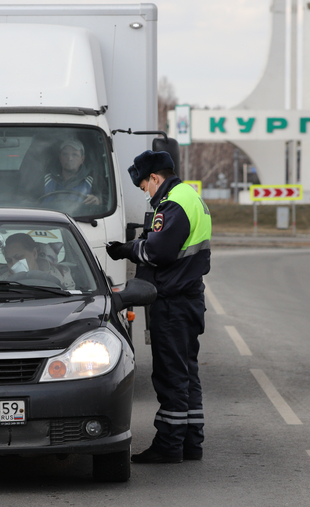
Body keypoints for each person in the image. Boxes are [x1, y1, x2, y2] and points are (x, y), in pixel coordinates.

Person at [106, 150, 212, 464]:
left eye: (144, 187)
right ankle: (191, 443)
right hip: (187, 299)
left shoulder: (173, 202)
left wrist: (126, 249)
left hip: (173, 303)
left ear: (154, 178)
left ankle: (169, 446)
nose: (146, 194)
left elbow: (158, 251)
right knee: (186, 375)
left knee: (171, 376)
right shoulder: (189, 197)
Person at [0, 233, 75, 290]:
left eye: (19, 257)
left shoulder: (61, 274)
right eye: (9, 260)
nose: (13, 265)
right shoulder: (0, 281)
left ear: (34, 254)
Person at [43, 139, 102, 205]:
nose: (69, 158)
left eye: (75, 155)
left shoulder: (94, 180)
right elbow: (31, 200)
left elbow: (109, 199)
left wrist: (98, 199)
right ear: (60, 157)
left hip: (81, 215)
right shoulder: (45, 179)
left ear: (82, 159)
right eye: (65, 154)